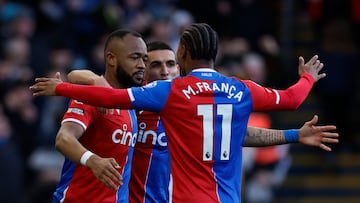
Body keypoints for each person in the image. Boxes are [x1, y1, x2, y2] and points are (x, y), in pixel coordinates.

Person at [30, 23, 338, 202]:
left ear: (181, 60)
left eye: (169, 64)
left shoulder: (173, 98)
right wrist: (307, 78)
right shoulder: (234, 89)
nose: (162, 70)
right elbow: (291, 99)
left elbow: (240, 135)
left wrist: (63, 87)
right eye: (151, 63)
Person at [48, 29, 147, 203]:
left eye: (144, 59)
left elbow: (75, 74)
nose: (142, 65)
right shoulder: (90, 97)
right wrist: (92, 160)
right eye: (134, 57)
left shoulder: (131, 99)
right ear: (111, 59)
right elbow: (63, 139)